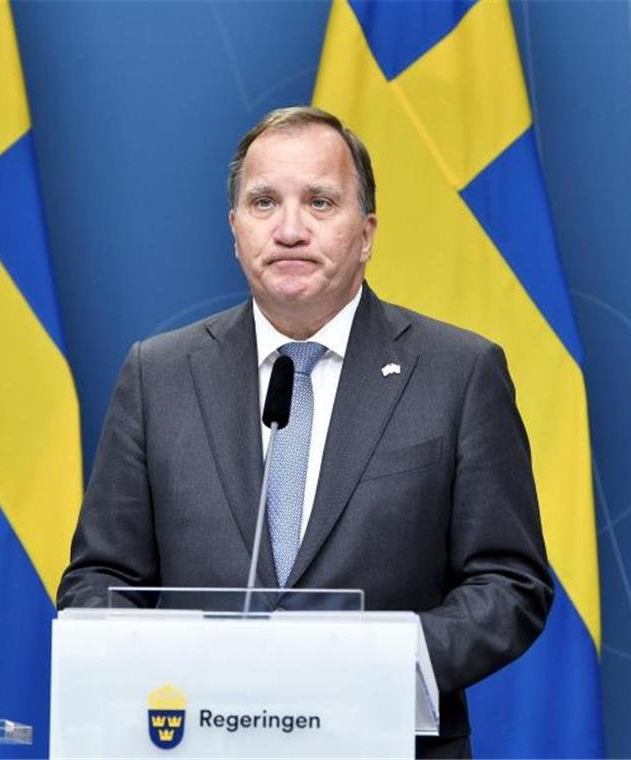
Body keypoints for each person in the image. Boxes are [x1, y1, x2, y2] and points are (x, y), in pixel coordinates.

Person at [57, 106, 552, 758]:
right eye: (264, 202)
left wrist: (376, 665)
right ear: (235, 231)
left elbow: (510, 583)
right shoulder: (159, 375)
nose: (290, 229)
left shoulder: (459, 374)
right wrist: (175, 669)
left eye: (320, 202)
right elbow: (99, 581)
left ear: (366, 231)